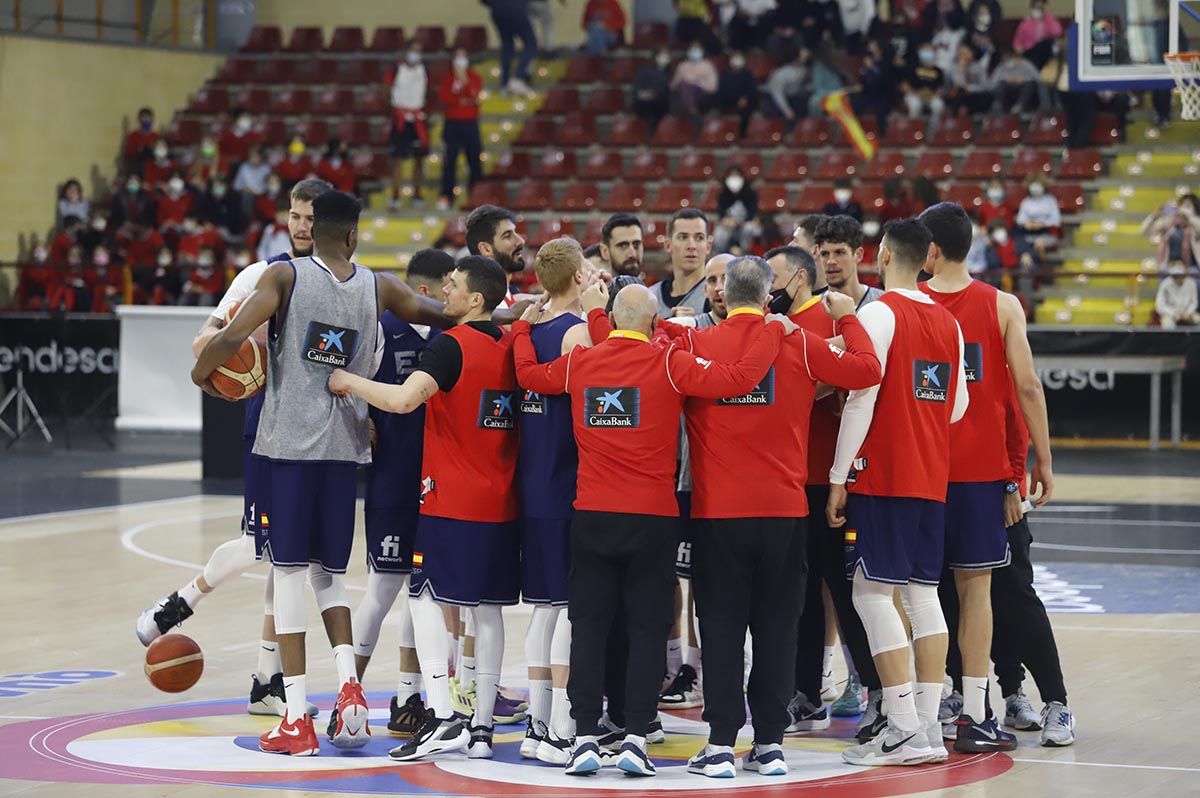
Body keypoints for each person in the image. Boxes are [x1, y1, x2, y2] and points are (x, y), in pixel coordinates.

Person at [190, 189, 449, 756]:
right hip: (346, 451)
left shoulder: (283, 279)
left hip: (288, 450)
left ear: (315, 230)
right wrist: (516, 308)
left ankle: (295, 717)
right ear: (354, 236)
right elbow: (446, 314)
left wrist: (201, 374)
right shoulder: (379, 285)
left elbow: (231, 337)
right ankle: (351, 691)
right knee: (327, 577)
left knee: (286, 577)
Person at [513, 280, 795, 776]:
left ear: (614, 320)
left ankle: (582, 738)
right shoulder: (668, 362)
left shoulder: (581, 362)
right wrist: (771, 332)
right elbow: (738, 379)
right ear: (650, 322)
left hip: (593, 515)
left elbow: (529, 375)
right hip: (654, 518)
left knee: (589, 628)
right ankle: (637, 739)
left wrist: (520, 328)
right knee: (647, 630)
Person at [679, 258, 882, 779]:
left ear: (722, 294)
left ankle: (721, 743)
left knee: (721, 627)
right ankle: (769, 743)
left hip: (718, 515)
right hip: (786, 513)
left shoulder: (699, 345)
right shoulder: (797, 343)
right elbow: (867, 369)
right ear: (770, 294)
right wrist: (845, 316)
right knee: (777, 627)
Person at [328, 256, 518, 762]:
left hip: (451, 497)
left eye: (453, 288)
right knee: (488, 611)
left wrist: (350, 382)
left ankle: (442, 714)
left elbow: (405, 400)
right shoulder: (510, 345)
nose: (444, 295)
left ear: (475, 299)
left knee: (423, 598)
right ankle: (480, 729)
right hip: (501, 499)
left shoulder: (449, 344)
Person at [827, 218, 968, 766]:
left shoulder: (879, 312)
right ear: (926, 258)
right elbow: (957, 407)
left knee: (870, 595)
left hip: (886, 475)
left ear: (882, 256)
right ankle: (929, 730)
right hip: (932, 478)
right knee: (922, 596)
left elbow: (861, 398)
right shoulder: (948, 322)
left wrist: (839, 476)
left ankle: (904, 726)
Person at [918, 201, 1054, 752]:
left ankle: (922, 713)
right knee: (978, 594)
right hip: (979, 476)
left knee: (917, 595)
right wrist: (1041, 458)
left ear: (927, 250)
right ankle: (976, 712)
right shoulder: (1001, 305)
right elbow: (1028, 387)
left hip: (919, 475)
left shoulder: (901, 306)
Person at [763, 244, 887, 739]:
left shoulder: (831, 317)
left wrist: (807, 378)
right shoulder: (774, 326)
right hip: (788, 478)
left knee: (847, 589)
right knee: (799, 594)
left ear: (797, 277)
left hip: (831, 478)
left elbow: (857, 382)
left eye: (774, 276)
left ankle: (879, 691)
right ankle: (805, 694)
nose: (768, 287)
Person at [348, 248, 455, 740]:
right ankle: (349, 690)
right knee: (384, 588)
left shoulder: (455, 337)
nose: (454, 293)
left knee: (424, 589)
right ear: (427, 294)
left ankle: (408, 696)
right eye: (449, 284)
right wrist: (361, 421)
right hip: (392, 477)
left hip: (439, 482)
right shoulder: (377, 331)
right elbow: (344, 386)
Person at [513, 238, 596, 764]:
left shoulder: (529, 331)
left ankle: (537, 723)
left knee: (544, 608)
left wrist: (523, 322)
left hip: (531, 481)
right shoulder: (580, 332)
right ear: (576, 276)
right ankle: (563, 724)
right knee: (569, 606)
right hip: (570, 481)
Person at [984, 386, 1076, 746]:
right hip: (950, 483)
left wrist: (1012, 480)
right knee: (966, 597)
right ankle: (1006, 694)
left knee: (1015, 595)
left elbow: (1021, 398)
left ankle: (1057, 702)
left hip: (999, 485)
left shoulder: (1002, 338)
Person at [438, 50, 484, 210]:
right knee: (449, 161)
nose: (461, 61)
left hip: (470, 124)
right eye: (458, 58)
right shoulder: (447, 78)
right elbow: (445, 98)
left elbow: (474, 96)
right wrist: (462, 99)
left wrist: (464, 81)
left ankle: (475, 196)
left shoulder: (475, 77)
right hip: (452, 124)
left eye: (463, 57)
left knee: (474, 161)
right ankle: (446, 196)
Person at [387, 39, 429, 209]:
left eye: (419, 51)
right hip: (401, 119)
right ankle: (395, 196)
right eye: (413, 50)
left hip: (418, 118)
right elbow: (386, 90)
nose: (416, 54)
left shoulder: (424, 69)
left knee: (419, 160)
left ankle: (417, 194)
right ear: (406, 51)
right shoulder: (396, 69)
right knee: (398, 160)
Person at [652, 208, 712, 317]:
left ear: (708, 246)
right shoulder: (651, 297)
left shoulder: (719, 298)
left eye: (699, 238)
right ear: (667, 245)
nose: (691, 246)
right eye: (683, 237)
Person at [815, 216, 883, 310]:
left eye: (839, 253)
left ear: (858, 255)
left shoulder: (884, 303)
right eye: (824, 254)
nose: (831, 261)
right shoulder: (812, 309)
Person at [466, 204, 527, 299]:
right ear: (486, 249)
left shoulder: (512, 294)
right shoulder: (481, 302)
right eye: (507, 236)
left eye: (515, 232)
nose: (521, 241)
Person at [489, 0, 538, 94]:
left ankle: (505, 82)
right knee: (531, 44)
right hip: (516, 9)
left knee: (507, 45)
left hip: (497, 10)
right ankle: (518, 78)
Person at [1142, 194, 1200, 269]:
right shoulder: (1169, 222)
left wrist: (1189, 217)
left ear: (1195, 209)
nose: (1183, 209)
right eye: (1182, 205)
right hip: (1169, 268)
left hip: (1193, 269)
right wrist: (1154, 216)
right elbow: (1144, 231)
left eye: (1187, 206)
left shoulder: (1195, 223)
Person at [1014, 175, 1061, 264]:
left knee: (1039, 244)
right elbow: (1020, 220)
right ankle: (1034, 265)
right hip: (1028, 234)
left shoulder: (1050, 201)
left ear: (1043, 186)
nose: (1035, 187)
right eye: (1033, 184)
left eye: (1038, 184)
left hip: (1047, 233)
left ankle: (1040, 262)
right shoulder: (1026, 202)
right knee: (1020, 244)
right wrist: (1027, 224)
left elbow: (1056, 220)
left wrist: (1042, 223)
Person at [714, 167, 760, 254]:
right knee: (720, 233)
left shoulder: (751, 194)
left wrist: (739, 222)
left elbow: (752, 213)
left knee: (749, 228)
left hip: (744, 224)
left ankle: (744, 253)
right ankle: (720, 255)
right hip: (728, 225)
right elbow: (721, 213)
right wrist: (726, 220)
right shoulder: (722, 194)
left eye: (737, 176)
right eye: (731, 176)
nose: (734, 179)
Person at [715, 51, 759, 137]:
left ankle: (742, 134)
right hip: (727, 100)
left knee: (748, 109)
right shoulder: (724, 74)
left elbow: (752, 90)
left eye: (739, 58)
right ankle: (722, 134)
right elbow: (721, 90)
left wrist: (745, 98)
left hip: (744, 101)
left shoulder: (747, 74)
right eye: (735, 58)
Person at [671, 43, 718, 121]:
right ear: (688, 52)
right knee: (684, 87)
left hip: (702, 95)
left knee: (690, 88)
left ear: (702, 52)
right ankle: (691, 110)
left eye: (697, 50)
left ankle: (690, 110)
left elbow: (713, 87)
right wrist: (682, 79)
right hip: (683, 94)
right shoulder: (682, 65)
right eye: (692, 50)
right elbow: (673, 86)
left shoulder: (708, 66)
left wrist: (696, 82)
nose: (694, 52)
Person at [764, 47, 812, 123]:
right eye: (803, 56)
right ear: (796, 57)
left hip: (793, 96)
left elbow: (800, 87)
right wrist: (787, 110)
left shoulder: (804, 69)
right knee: (775, 113)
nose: (806, 57)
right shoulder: (781, 73)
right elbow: (777, 93)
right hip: (773, 97)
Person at [989, 49, 1045, 114]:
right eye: (1004, 59)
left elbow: (1038, 77)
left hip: (1023, 88)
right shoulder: (1001, 66)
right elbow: (991, 83)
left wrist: (1023, 79)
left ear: (1014, 57)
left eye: (1008, 58)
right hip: (1008, 90)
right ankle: (997, 105)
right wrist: (1004, 79)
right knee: (1002, 84)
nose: (1006, 61)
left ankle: (1019, 106)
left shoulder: (1025, 64)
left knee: (1030, 85)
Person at [903, 42, 946, 125]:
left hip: (932, 96)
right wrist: (916, 93)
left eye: (930, 51)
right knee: (915, 105)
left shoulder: (938, 71)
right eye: (925, 51)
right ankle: (914, 130)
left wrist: (935, 94)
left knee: (938, 105)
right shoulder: (913, 67)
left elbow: (941, 88)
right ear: (920, 52)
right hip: (915, 95)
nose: (927, 54)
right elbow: (905, 85)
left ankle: (932, 133)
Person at [631, 49, 673, 133]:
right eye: (661, 56)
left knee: (660, 105)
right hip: (644, 101)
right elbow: (637, 86)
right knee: (643, 105)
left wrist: (656, 94)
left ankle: (654, 132)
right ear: (655, 57)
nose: (664, 58)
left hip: (661, 102)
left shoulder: (670, 73)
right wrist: (644, 94)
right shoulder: (645, 70)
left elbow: (669, 90)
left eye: (666, 57)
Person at [1012, 0, 1063, 69]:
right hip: (1030, 51)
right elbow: (1017, 41)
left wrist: (1046, 18)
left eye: (1041, 8)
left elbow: (1057, 32)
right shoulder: (1025, 23)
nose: (1039, 10)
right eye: (1037, 8)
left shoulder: (1049, 20)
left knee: (1046, 42)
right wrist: (1018, 49)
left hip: (1045, 50)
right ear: (1032, 8)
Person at [598, 213, 646, 280]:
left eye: (636, 244)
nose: (632, 254)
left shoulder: (656, 289)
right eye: (623, 245)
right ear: (605, 251)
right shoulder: (595, 290)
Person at [1156, 263, 1198, 328]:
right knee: (1167, 324)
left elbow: (1194, 302)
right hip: (1170, 315)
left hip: (1188, 314)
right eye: (1175, 275)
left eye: (1179, 275)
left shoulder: (1191, 283)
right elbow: (1160, 305)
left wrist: (1188, 313)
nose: (1177, 277)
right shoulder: (1165, 284)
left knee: (1197, 319)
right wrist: (1173, 314)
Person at [124, 107, 158, 174]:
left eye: (148, 118)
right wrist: (141, 150)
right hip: (138, 166)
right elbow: (129, 154)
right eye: (144, 118)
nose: (146, 120)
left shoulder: (155, 136)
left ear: (152, 120)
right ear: (139, 120)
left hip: (153, 165)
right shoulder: (133, 136)